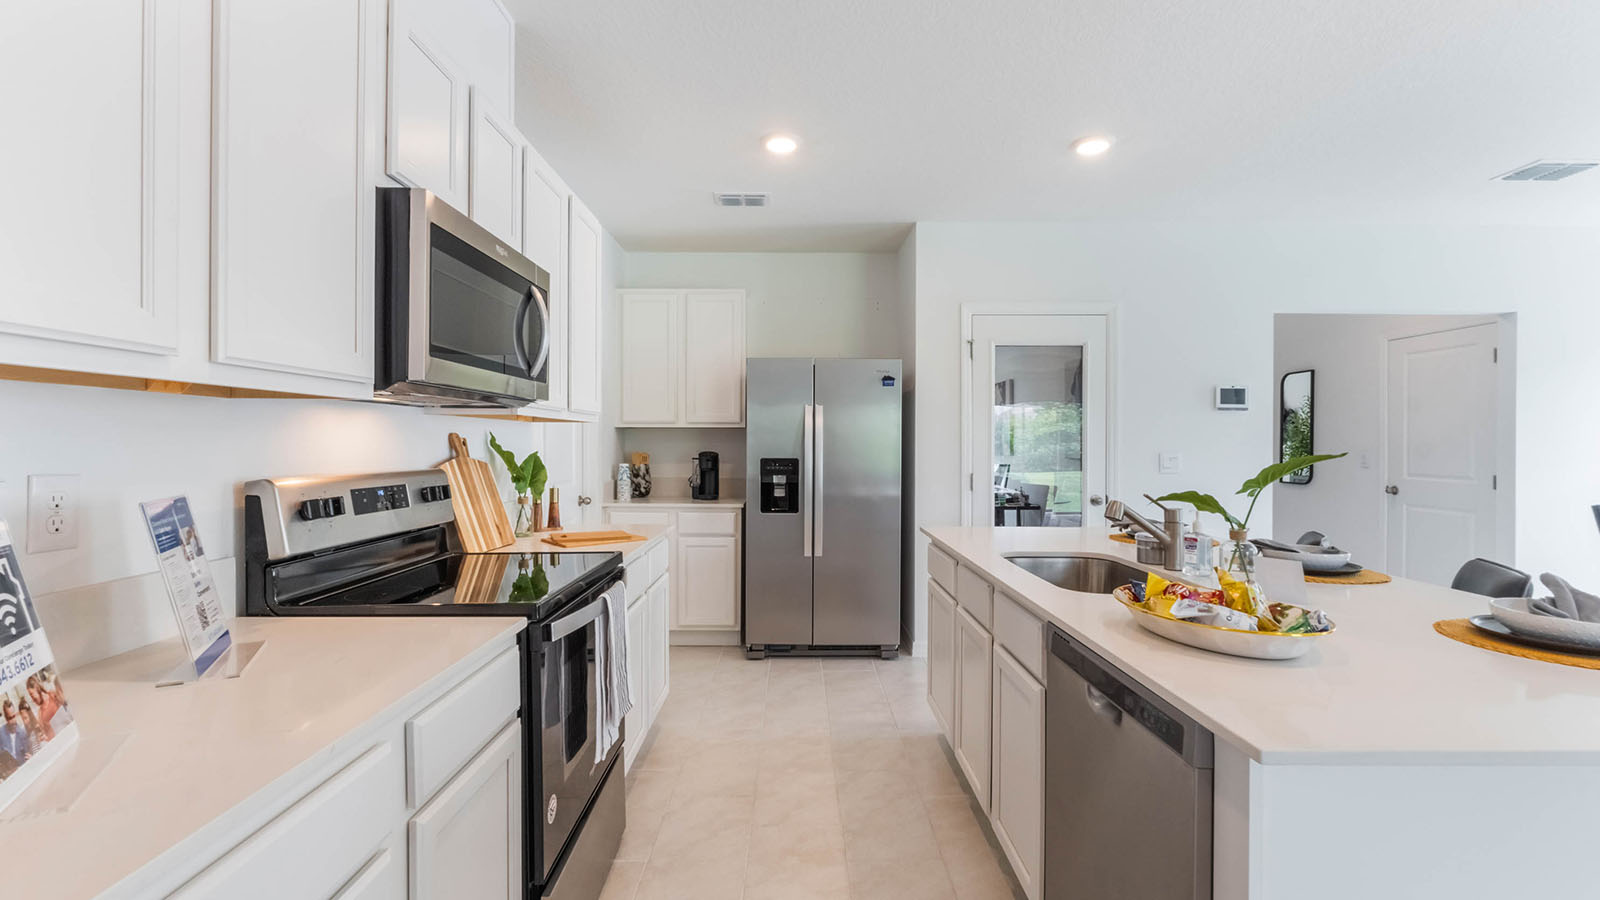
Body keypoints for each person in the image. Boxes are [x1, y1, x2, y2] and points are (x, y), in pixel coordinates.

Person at [25, 675, 58, 740]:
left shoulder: (53, 695)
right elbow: (48, 737)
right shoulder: (40, 715)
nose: (32, 699)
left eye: (31, 694)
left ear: (37, 688)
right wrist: (44, 738)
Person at [0, 698, 29, 767]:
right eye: (10, 718)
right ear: (6, 718)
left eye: (13, 716)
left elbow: (28, 753)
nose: (13, 721)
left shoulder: (23, 733)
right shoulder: (1, 733)